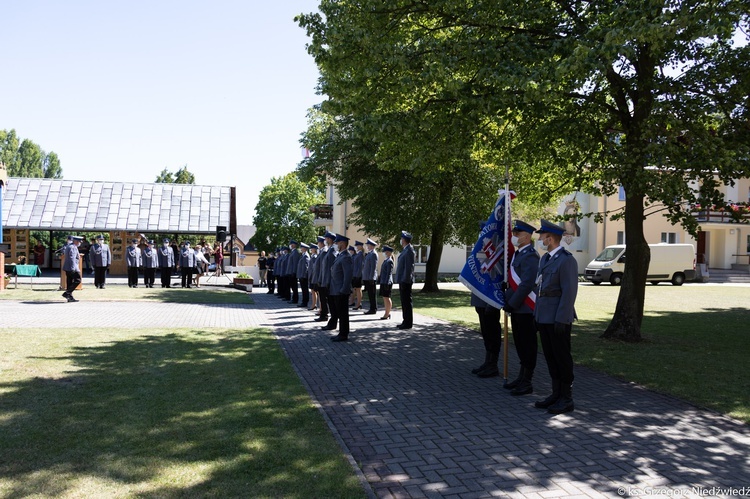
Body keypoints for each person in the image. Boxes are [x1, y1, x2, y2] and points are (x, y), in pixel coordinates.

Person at [533, 219, 579, 414]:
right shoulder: (545, 259)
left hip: (558, 317)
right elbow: (540, 287)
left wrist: (562, 318)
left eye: (542, 235)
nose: (540, 238)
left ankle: (566, 398)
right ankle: (556, 394)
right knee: (550, 356)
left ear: (550, 238)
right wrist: (537, 314)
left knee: (562, 357)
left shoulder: (567, 260)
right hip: (544, 315)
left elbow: (569, 292)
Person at [503, 220, 541, 395]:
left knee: (528, 345)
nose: (514, 236)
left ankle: (527, 381)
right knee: (519, 343)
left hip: (525, 308)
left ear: (526, 236)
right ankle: (521, 377)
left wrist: (512, 303)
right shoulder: (519, 254)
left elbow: (526, 284)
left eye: (517, 234)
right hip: (518, 308)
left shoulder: (531, 256)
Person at [327, 234, 353, 341]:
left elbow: (347, 275)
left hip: (341, 290)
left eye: (337, 243)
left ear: (342, 244)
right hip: (336, 289)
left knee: (343, 314)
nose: (336, 245)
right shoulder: (340, 255)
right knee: (340, 312)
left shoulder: (346, 257)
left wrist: (344, 289)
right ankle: (341, 333)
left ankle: (343, 334)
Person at [315, 232, 337, 323]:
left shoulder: (331, 251)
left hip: (327, 280)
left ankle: (326, 316)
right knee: (323, 299)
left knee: (326, 300)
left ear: (330, 239)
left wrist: (327, 280)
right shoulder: (329, 250)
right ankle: (324, 315)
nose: (325, 240)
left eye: (327, 239)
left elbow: (330, 268)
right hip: (323, 279)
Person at [396, 231, 416, 330]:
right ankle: (405, 320)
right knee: (404, 302)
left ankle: (408, 323)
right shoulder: (405, 250)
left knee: (407, 302)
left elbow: (408, 268)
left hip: (406, 280)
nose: (401, 240)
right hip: (403, 280)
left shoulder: (409, 251)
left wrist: (405, 280)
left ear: (404, 240)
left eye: (401, 238)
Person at [62, 235, 82, 302]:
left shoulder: (70, 246)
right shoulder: (73, 247)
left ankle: (69, 297)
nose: (80, 243)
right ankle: (67, 293)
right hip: (72, 267)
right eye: (79, 241)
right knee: (78, 280)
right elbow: (72, 258)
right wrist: (73, 268)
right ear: (76, 241)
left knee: (69, 282)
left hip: (68, 267)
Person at [362, 239, 379, 315]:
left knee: (372, 294)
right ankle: (372, 308)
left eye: (368, 245)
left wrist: (371, 278)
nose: (367, 246)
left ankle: (373, 308)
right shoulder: (369, 254)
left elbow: (373, 267)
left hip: (370, 277)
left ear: (371, 246)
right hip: (367, 277)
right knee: (370, 294)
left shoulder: (373, 254)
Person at [379, 245, 395, 320]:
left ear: (388, 252)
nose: (384, 253)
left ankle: (387, 313)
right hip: (384, 281)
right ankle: (387, 312)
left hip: (387, 282)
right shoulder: (386, 260)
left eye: (385, 251)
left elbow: (389, 273)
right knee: (385, 297)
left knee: (387, 297)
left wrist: (386, 282)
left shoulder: (389, 261)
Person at [297, 242, 311, 307]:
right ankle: (303, 301)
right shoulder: (303, 255)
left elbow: (306, 267)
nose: (301, 249)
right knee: (303, 289)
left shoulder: (306, 256)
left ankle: (305, 302)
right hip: (302, 275)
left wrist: (304, 275)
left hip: (304, 276)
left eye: (301, 247)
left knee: (305, 289)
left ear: (304, 248)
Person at [308, 242, 319, 310]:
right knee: (312, 291)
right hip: (311, 276)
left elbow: (314, 268)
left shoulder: (314, 257)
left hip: (313, 276)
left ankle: (314, 304)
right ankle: (313, 304)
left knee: (314, 291)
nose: (310, 250)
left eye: (312, 249)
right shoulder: (312, 256)